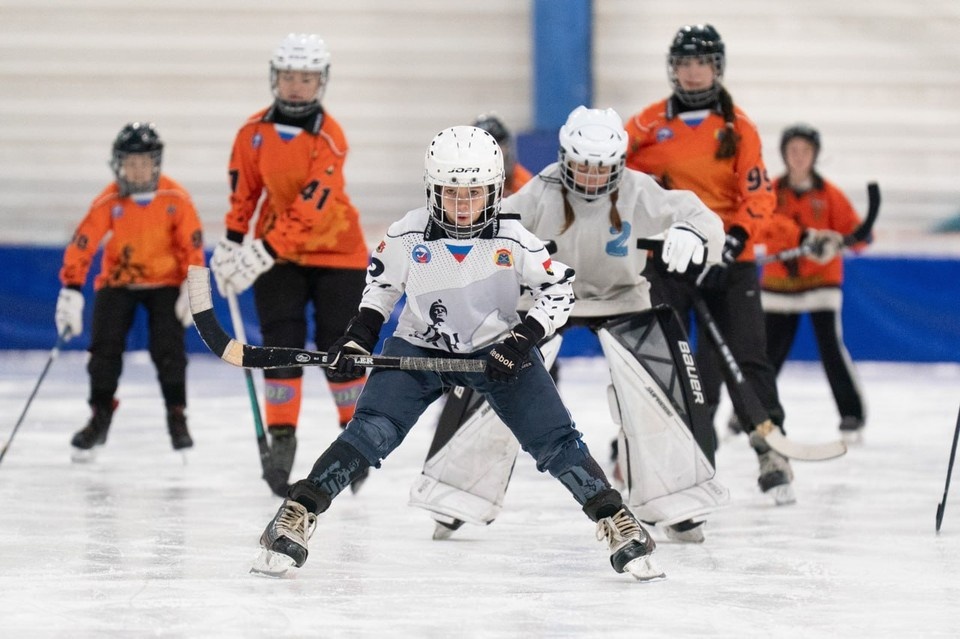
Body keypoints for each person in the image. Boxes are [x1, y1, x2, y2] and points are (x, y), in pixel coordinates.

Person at [253, 125, 664, 581]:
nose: (463, 205)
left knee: (556, 440)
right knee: (371, 432)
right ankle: (296, 512)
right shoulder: (407, 233)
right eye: (451, 193)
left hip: (497, 352)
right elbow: (382, 287)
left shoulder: (514, 238)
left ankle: (616, 520)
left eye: (475, 193)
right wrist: (358, 337)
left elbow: (558, 290)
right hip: (419, 348)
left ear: (494, 190)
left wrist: (522, 339)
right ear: (433, 190)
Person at [409, 106, 727, 545]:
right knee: (494, 374)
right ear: (564, 158)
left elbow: (703, 217)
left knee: (659, 387)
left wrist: (695, 232)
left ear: (619, 164)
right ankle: (455, 494)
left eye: (602, 168)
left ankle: (678, 501)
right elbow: (489, 226)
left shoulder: (639, 189)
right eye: (582, 166)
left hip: (623, 298)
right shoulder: (542, 189)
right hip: (548, 300)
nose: (592, 177)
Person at [624, 24, 795, 504]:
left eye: (701, 62)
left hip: (729, 260)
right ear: (672, 68)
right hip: (670, 258)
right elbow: (614, 171)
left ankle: (769, 447)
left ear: (717, 67)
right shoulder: (646, 124)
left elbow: (758, 194)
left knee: (748, 355)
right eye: (684, 62)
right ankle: (677, 449)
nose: (693, 71)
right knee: (667, 357)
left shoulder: (739, 127)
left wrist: (733, 242)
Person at [209, 34, 370, 497]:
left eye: (307, 77)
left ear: (321, 81)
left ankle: (353, 438)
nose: (297, 85)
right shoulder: (252, 133)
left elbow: (310, 209)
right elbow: (244, 193)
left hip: (337, 253)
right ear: (274, 78)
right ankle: (281, 439)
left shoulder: (330, 137)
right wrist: (233, 242)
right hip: (279, 255)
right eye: (289, 76)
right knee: (280, 345)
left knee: (339, 347)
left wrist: (262, 250)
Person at [56, 122, 204, 458]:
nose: (137, 170)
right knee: (104, 350)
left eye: (144, 162)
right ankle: (100, 415)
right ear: (119, 164)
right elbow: (83, 242)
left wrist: (191, 284)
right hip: (118, 283)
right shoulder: (109, 199)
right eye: (130, 162)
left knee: (169, 350)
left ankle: (177, 414)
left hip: (165, 283)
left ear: (156, 163)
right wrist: (72, 288)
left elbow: (192, 244)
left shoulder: (176, 198)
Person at [759, 124, 869, 443]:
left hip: (822, 283)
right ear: (783, 154)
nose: (799, 156)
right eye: (792, 150)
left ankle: (851, 413)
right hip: (779, 284)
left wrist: (840, 241)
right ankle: (751, 412)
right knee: (769, 354)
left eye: (805, 150)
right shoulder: (770, 191)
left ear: (815, 155)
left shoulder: (830, 194)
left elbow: (860, 237)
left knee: (831, 349)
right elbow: (758, 227)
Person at [471, 113, 533, 196]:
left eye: (498, 147)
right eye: (485, 148)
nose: (492, 154)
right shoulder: (461, 180)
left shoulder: (522, 181)